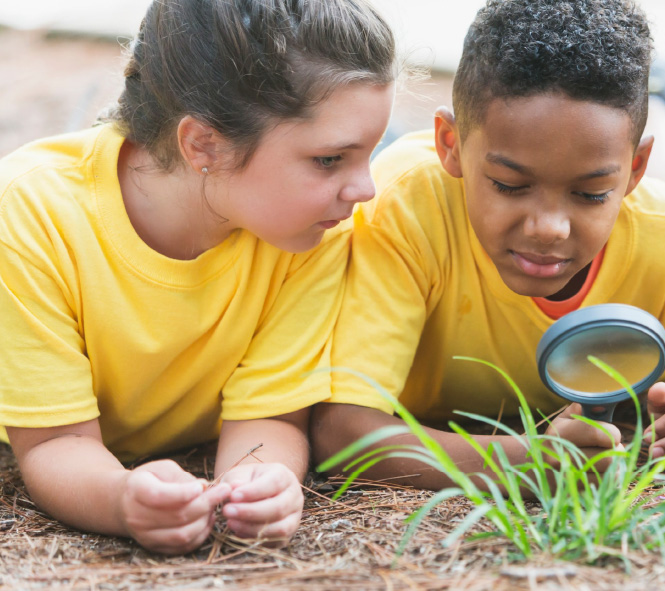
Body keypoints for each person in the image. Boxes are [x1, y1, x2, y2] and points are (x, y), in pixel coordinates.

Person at [0, 0, 396, 554]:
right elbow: (54, 441)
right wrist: (120, 498)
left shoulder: (312, 232)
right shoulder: (31, 215)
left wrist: (260, 483)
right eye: (330, 160)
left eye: (370, 154)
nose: (365, 190)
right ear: (203, 144)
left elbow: (271, 412)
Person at [312, 0, 665, 489]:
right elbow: (342, 432)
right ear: (450, 144)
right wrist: (530, 460)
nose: (549, 228)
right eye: (510, 185)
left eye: (591, 193)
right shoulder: (403, 207)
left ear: (636, 169)